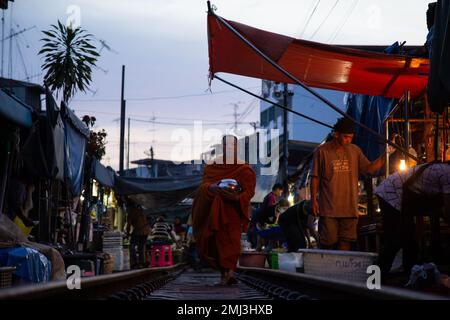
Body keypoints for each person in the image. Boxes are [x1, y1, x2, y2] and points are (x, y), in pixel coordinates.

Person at [310, 117, 391, 251]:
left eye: (351, 137)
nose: (348, 140)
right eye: (346, 137)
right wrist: (313, 200)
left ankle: (342, 271)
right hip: (329, 209)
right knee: (328, 242)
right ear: (336, 134)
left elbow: (369, 169)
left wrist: (386, 154)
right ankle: (327, 269)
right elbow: (315, 177)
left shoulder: (355, 150)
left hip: (349, 208)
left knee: (345, 243)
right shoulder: (322, 151)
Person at [192, 135, 256, 285]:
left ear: (236, 147)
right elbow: (203, 187)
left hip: (232, 211)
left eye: (231, 145)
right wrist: (212, 187)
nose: (228, 148)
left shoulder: (244, 168)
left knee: (232, 244)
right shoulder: (212, 166)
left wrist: (237, 198)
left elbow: (249, 191)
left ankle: (230, 273)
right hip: (214, 212)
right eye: (225, 145)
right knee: (216, 244)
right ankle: (223, 275)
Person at [374, 162, 450, 277]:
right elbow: (448, 209)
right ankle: (374, 280)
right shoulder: (447, 173)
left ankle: (409, 278)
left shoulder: (442, 172)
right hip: (390, 193)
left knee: (409, 241)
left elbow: (438, 209)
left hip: (402, 197)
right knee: (394, 240)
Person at [125, 200, 151, 269]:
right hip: (146, 230)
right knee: (141, 247)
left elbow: (128, 225)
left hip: (139, 230)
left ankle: (135, 263)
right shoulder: (140, 210)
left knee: (132, 246)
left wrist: (127, 234)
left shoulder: (131, 212)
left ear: (129, 207)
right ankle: (142, 262)